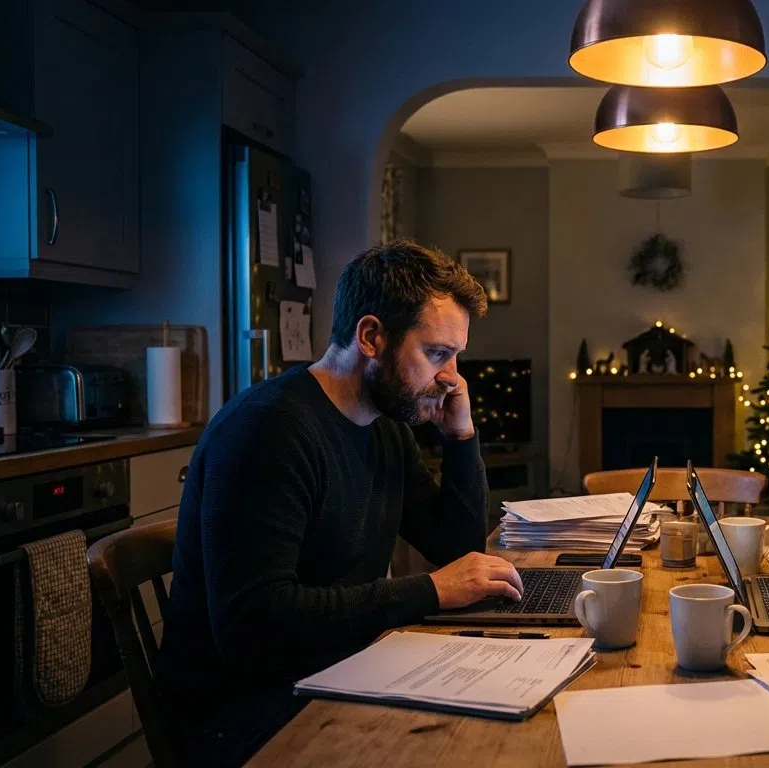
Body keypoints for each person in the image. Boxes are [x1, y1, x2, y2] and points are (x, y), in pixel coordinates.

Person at [159, 241, 524, 766]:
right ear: (371, 336)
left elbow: (458, 550)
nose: (452, 377)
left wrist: (460, 437)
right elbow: (253, 627)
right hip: (245, 717)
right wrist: (428, 590)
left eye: (455, 356)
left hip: (344, 670)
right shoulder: (268, 431)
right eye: (437, 353)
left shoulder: (385, 427)